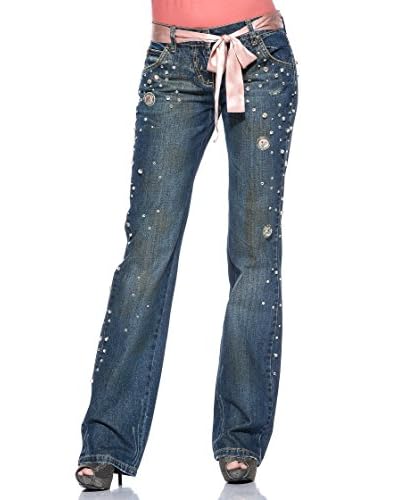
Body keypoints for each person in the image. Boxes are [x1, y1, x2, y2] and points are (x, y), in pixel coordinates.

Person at [76, 0, 299, 489]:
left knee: (255, 253)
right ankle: (107, 442)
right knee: (145, 254)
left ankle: (241, 439)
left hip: (260, 55)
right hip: (171, 59)